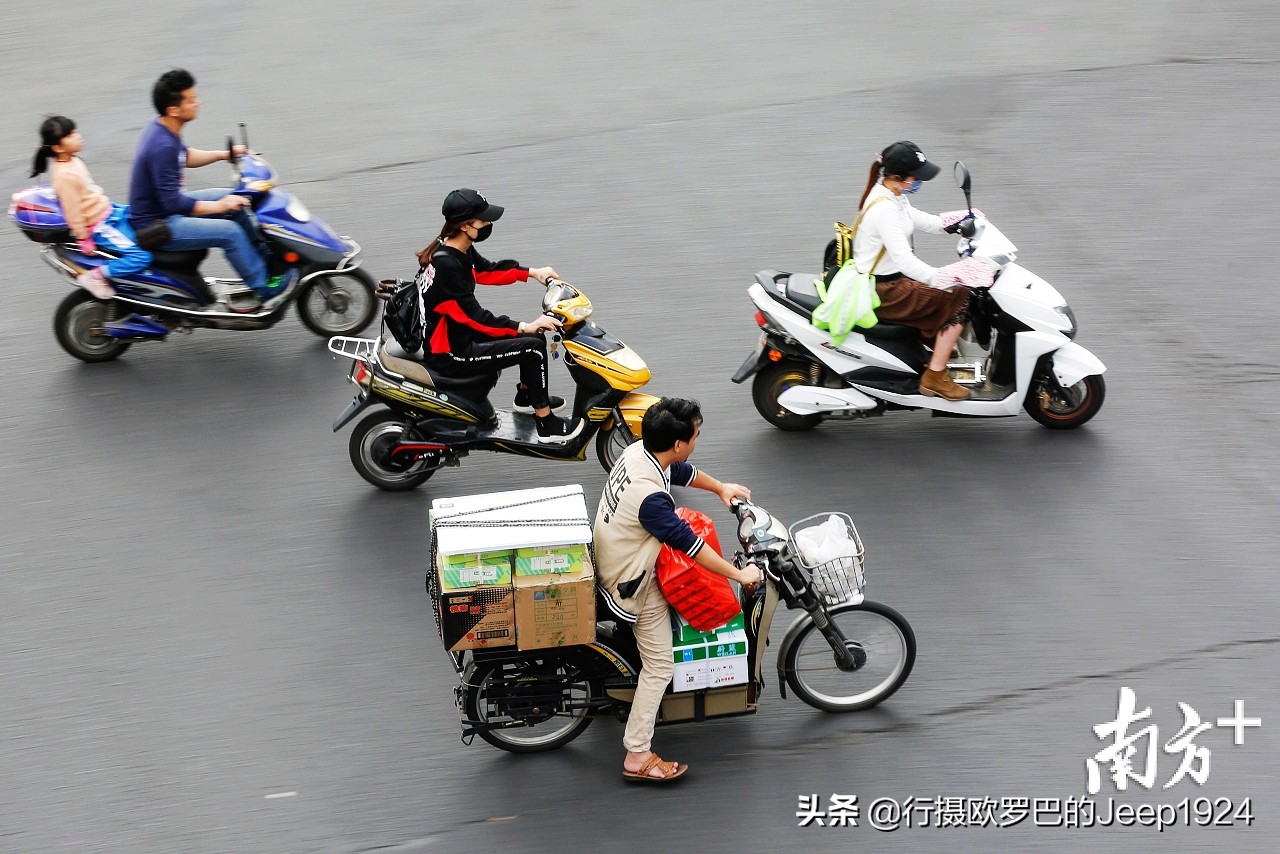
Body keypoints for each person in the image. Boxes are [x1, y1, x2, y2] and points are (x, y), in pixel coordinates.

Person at [593, 398, 763, 782]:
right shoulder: (650, 498)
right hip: (630, 579)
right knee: (660, 666)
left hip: (617, 550)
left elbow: (679, 471)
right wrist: (739, 576)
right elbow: (692, 546)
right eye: (696, 435)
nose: (697, 440)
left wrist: (720, 488)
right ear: (678, 443)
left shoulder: (641, 451)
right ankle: (637, 753)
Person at [414, 188, 578, 442]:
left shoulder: (455, 247)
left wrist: (532, 272)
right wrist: (524, 326)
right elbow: (475, 318)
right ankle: (546, 424)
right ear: (466, 225)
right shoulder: (447, 266)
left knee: (535, 338)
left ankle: (527, 397)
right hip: (451, 353)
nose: (489, 224)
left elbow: (486, 271)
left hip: (460, 335)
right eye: (484, 220)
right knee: (532, 348)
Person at [128, 68, 292, 308]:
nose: (198, 103)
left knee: (235, 200)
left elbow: (184, 156)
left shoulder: (163, 128)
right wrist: (220, 206)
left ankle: (269, 263)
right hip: (158, 226)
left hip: (166, 212)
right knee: (230, 232)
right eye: (191, 99)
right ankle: (263, 287)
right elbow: (174, 203)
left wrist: (225, 155)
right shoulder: (162, 145)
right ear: (173, 109)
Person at [851, 140, 995, 400]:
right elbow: (905, 261)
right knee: (963, 299)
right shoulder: (884, 209)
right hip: (886, 291)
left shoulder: (893, 195)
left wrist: (959, 221)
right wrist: (945, 276)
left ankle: (937, 343)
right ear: (899, 177)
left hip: (890, 281)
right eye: (916, 177)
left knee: (950, 291)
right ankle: (935, 376)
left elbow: (926, 221)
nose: (919, 182)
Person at [31, 116, 151, 300]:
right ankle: (96, 275)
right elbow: (73, 212)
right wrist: (84, 238)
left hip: (109, 211)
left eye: (75, 131)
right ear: (58, 148)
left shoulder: (72, 160)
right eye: (70, 135)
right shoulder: (64, 176)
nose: (78, 136)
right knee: (141, 257)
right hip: (101, 225)